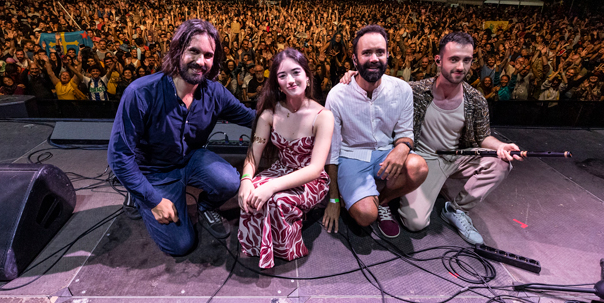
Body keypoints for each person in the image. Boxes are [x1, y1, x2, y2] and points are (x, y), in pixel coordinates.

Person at [108, 19, 256, 256]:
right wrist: (153, 200)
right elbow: (119, 156)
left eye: (208, 55)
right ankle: (137, 192)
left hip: (190, 159)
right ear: (178, 51)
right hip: (154, 171)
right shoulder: (141, 93)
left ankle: (205, 206)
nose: (201, 61)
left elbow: (252, 118)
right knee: (180, 246)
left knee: (230, 181)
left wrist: (300, 117)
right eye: (193, 51)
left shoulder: (215, 92)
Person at [402, 32, 523, 245]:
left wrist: (501, 146)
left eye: (467, 60)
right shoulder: (415, 91)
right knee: (415, 224)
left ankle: (456, 210)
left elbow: (483, 137)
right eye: (454, 59)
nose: (461, 66)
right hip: (425, 160)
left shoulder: (475, 99)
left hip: (457, 158)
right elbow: (380, 85)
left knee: (501, 162)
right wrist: (354, 74)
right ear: (438, 60)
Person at [321, 25, 427, 239]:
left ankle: (383, 199)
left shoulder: (402, 89)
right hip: (351, 157)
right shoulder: (338, 95)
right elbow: (332, 151)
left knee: (418, 167)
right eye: (366, 53)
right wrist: (333, 200)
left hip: (384, 154)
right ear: (354, 58)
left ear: (388, 55)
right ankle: (362, 198)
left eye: (380, 52)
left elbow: (406, 133)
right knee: (366, 215)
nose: (374, 58)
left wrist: (403, 147)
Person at [237, 48, 333, 268]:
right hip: (281, 169)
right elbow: (254, 153)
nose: (290, 80)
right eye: (282, 76)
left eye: (296, 73)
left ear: (307, 78)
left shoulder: (323, 116)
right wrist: (245, 180)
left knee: (277, 200)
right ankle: (255, 246)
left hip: (311, 180)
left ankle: (287, 249)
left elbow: (316, 169)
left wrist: (271, 187)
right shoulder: (270, 113)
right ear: (277, 82)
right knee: (251, 193)